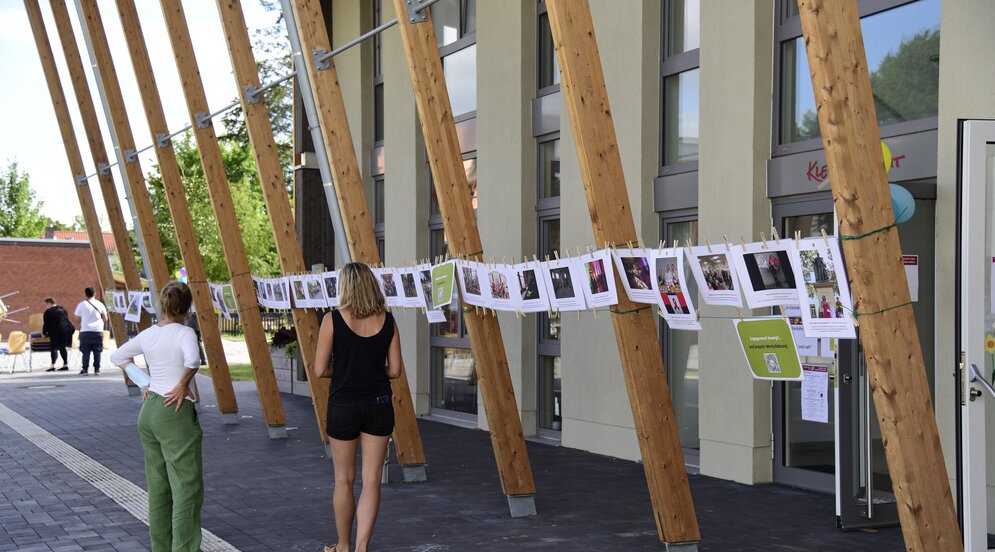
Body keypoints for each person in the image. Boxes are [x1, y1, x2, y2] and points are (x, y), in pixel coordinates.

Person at [314, 262, 403, 552]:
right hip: (379, 405)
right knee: (372, 480)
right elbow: (395, 371)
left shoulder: (333, 320)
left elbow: (318, 370)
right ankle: (362, 547)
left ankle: (342, 545)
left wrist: (343, 371)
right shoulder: (387, 320)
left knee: (344, 479)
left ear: (346, 287)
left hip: (344, 405)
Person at [110, 282, 203, 552]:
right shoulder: (185, 332)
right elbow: (194, 361)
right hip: (174, 411)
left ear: (162, 304)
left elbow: (118, 356)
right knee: (187, 488)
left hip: (149, 410)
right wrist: (183, 384)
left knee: (159, 487)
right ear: (187, 306)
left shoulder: (149, 333)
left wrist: (144, 381)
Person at [73, 287, 108, 375]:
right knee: (97, 351)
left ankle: (85, 369)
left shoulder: (82, 304)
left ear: (85, 294)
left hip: (85, 330)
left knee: (85, 351)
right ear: (94, 293)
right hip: (98, 330)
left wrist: (84, 321)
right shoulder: (100, 304)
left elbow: (76, 318)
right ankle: (97, 369)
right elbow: (105, 318)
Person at [42, 297, 74, 371]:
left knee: (54, 347)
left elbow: (46, 324)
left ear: (49, 303)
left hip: (56, 331)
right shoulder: (63, 309)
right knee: (62, 347)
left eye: (46, 304)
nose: (46, 306)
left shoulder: (48, 311)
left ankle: (52, 365)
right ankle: (65, 364)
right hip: (66, 329)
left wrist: (44, 333)